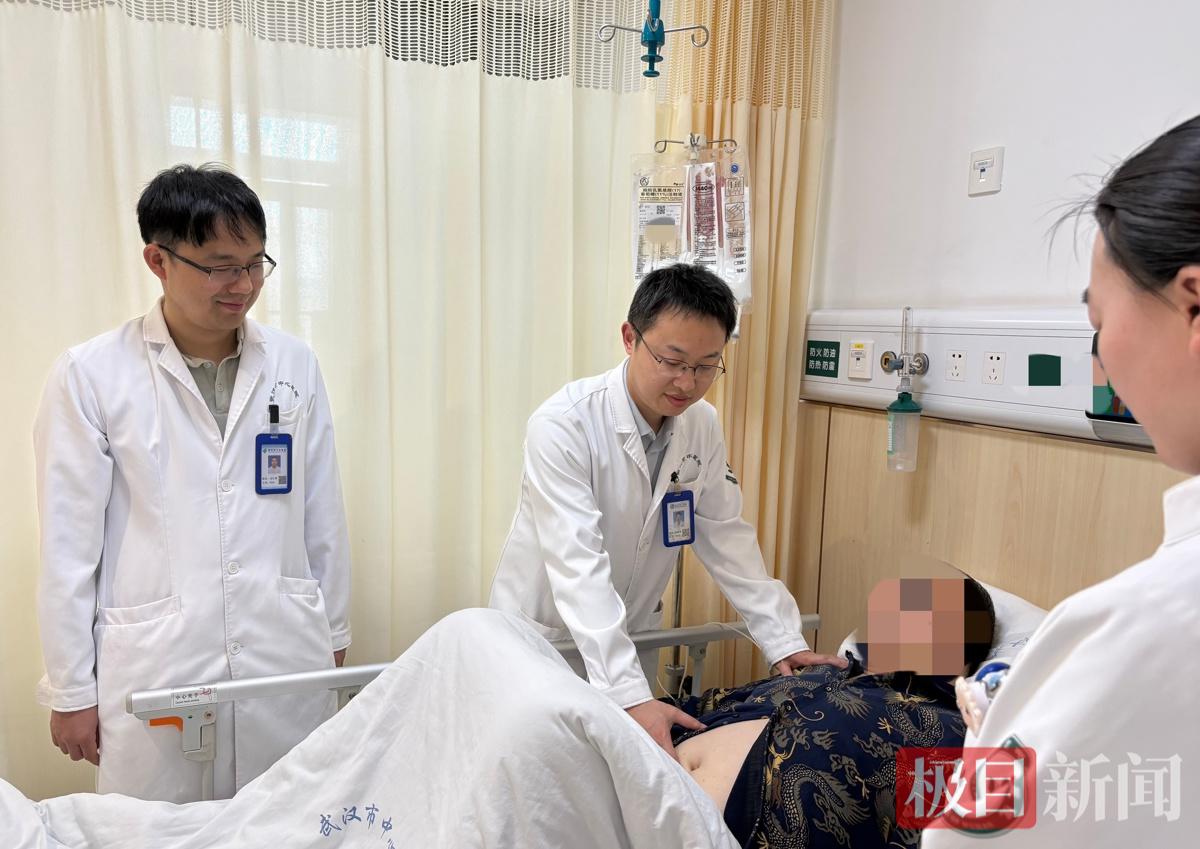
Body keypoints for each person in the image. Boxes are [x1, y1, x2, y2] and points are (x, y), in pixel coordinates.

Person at [33, 164, 352, 802]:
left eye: (256, 264)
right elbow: (69, 546)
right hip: (159, 659)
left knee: (282, 818)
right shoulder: (92, 375)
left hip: (283, 649)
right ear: (159, 259)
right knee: (156, 829)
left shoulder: (294, 363)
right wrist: (71, 688)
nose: (244, 285)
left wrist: (333, 634)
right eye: (220, 266)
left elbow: (322, 510)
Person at [921, 116, 1200, 845]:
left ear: (1195, 305)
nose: (1100, 361)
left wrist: (995, 735)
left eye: (1099, 321)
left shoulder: (1149, 626)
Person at [489, 263, 845, 759]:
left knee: (621, 779)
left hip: (631, 640)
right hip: (549, 642)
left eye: (706, 365)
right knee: (542, 771)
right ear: (629, 338)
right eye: (672, 360)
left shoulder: (701, 424)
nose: (687, 382)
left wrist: (783, 638)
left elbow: (725, 535)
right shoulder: (563, 426)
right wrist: (629, 693)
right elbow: (577, 565)